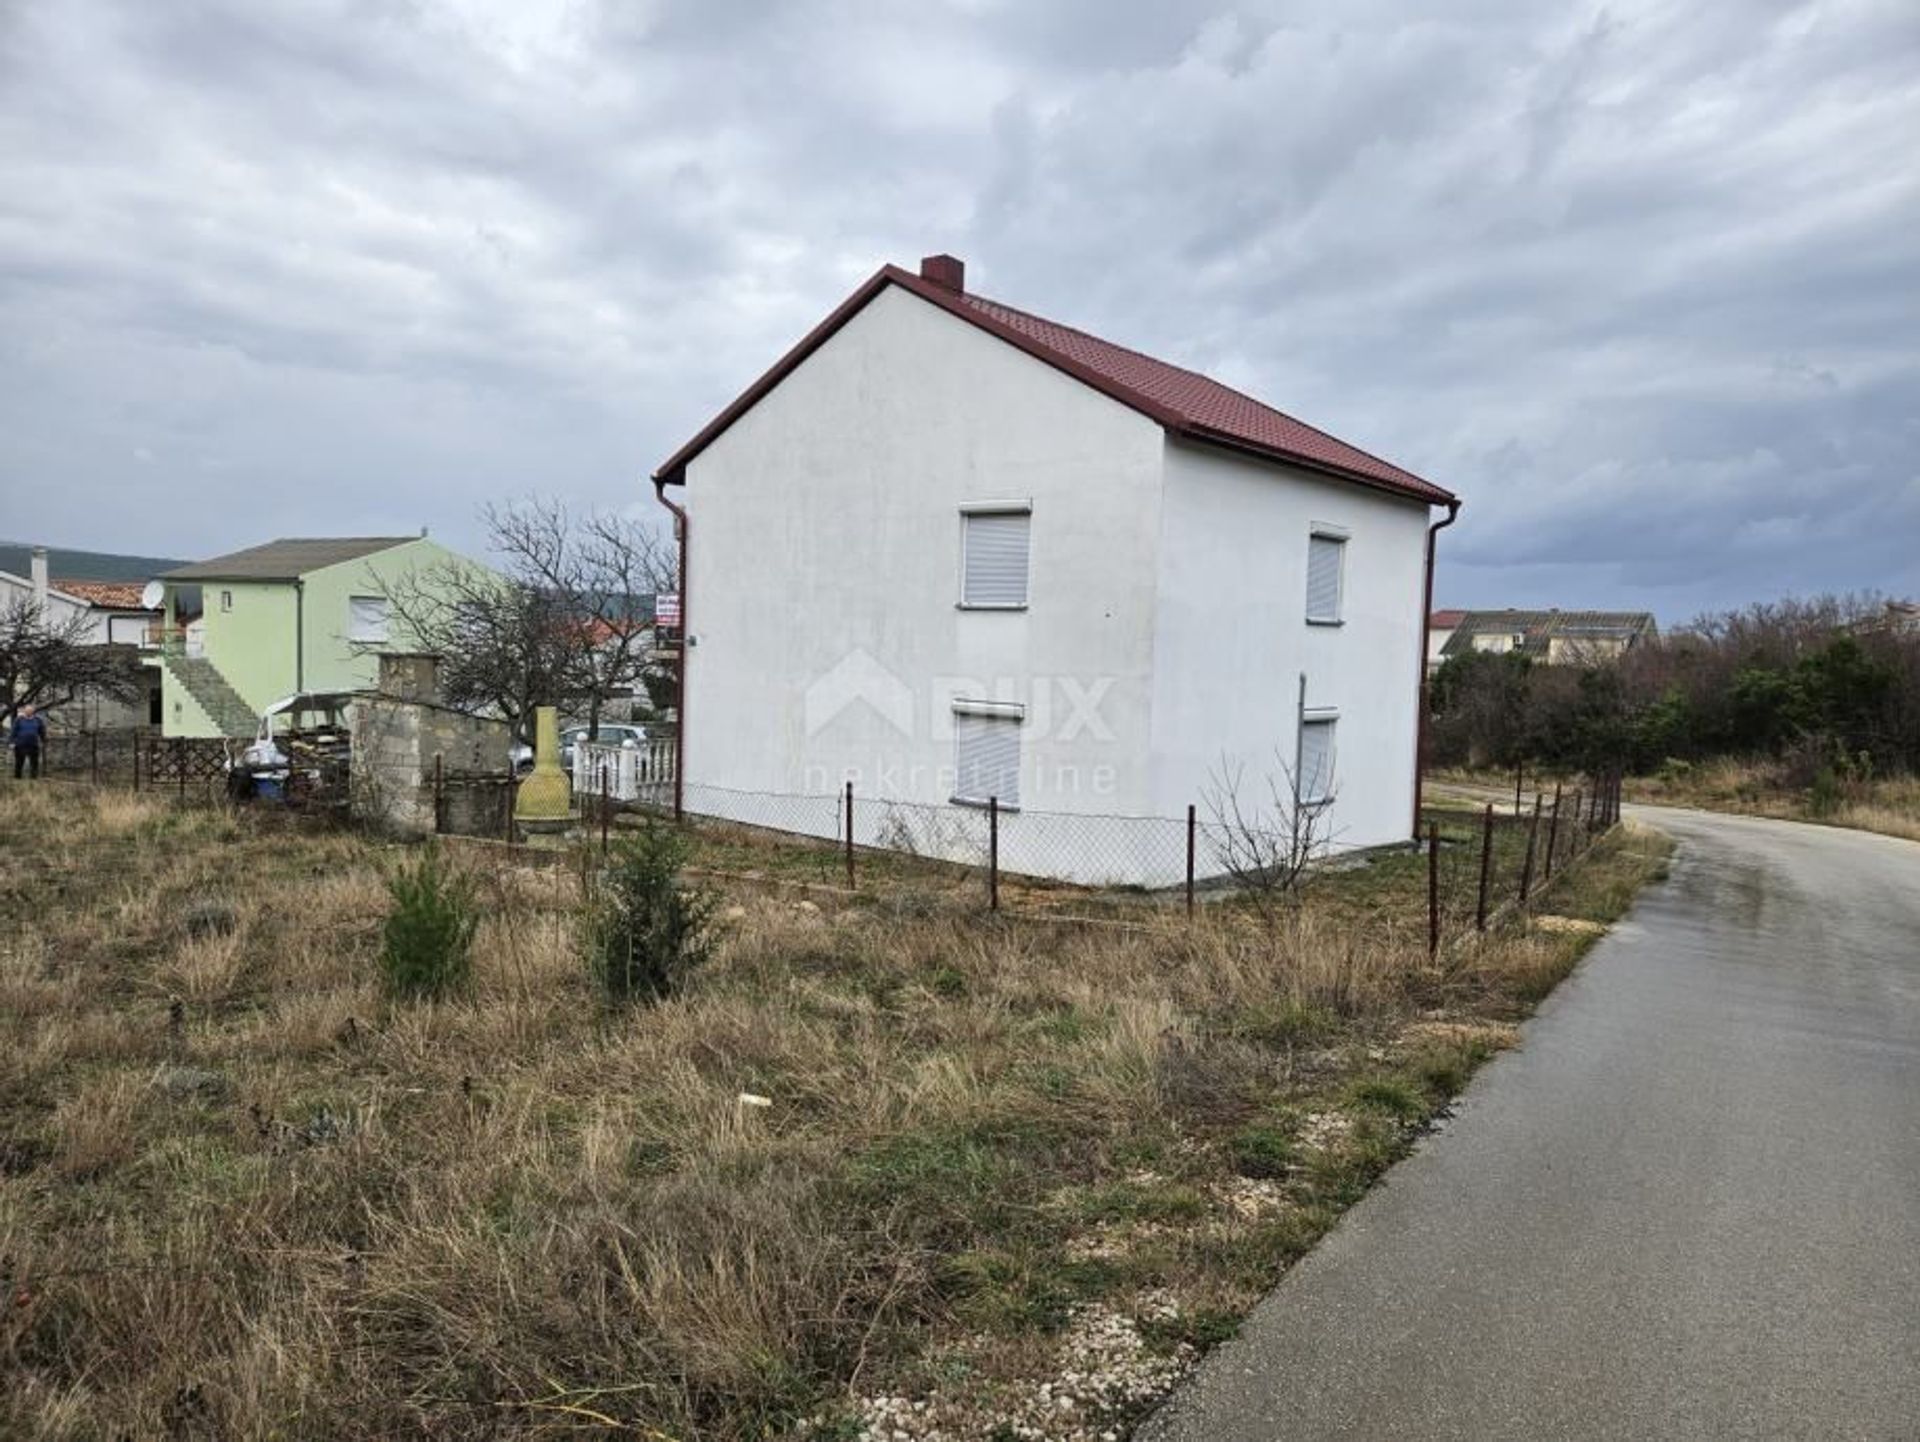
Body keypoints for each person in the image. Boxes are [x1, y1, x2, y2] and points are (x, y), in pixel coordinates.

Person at [10, 705, 46, 779]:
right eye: (27, 711)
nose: (28, 712)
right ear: (24, 711)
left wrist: (43, 741)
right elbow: (14, 731)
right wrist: (12, 742)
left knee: (34, 763)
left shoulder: (38, 720)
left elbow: (42, 731)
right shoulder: (19, 720)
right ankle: (17, 777)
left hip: (33, 744)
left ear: (33, 711)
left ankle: (33, 777)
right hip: (20, 744)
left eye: (30, 711)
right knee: (19, 762)